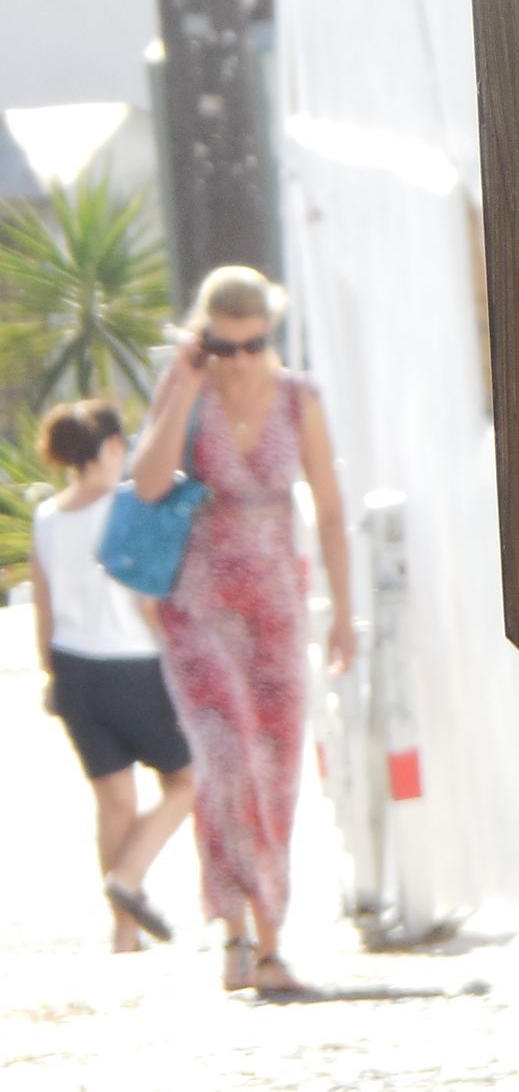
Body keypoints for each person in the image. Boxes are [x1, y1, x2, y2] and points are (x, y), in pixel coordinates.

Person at [131, 265, 355, 995]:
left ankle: (269, 940)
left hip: (275, 608)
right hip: (197, 609)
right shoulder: (187, 391)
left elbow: (327, 509)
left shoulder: (300, 400)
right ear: (203, 341)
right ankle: (233, 930)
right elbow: (150, 484)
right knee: (225, 759)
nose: (241, 359)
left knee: (277, 764)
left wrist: (343, 613)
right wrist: (186, 387)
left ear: (271, 335)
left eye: (253, 344)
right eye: (224, 346)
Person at [31, 399, 197, 953]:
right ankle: (128, 877)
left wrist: (53, 677)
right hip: (133, 665)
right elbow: (148, 600)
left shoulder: (48, 518)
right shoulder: (127, 507)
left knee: (115, 803)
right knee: (186, 781)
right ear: (108, 448)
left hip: (74, 672)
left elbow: (44, 610)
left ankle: (125, 934)